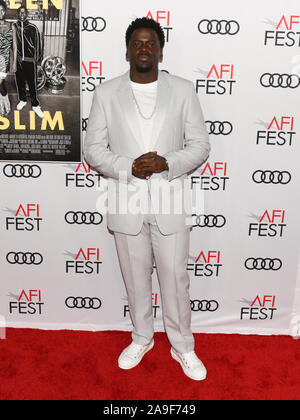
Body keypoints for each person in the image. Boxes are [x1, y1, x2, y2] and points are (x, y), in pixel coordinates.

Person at [84, 17, 210, 381]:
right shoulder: (106, 93)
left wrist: (168, 162)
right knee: (135, 281)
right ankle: (142, 338)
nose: (143, 48)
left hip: (170, 201)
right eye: (136, 43)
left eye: (150, 43)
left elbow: (200, 146)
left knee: (175, 280)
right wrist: (128, 168)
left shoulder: (183, 90)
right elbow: (93, 150)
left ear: (160, 49)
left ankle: (183, 346)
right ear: (127, 51)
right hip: (126, 202)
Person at [13, 6, 44, 118]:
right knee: (20, 81)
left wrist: (38, 61)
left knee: (32, 84)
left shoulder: (32, 28)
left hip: (30, 62)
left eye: (24, 12)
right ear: (17, 14)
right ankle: (22, 100)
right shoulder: (14, 27)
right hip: (19, 61)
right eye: (20, 12)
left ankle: (35, 105)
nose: (22, 14)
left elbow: (38, 46)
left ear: (27, 14)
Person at [0, 0, 16, 116]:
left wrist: (14, 62)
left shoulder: (11, 26)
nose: (0, 13)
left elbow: (14, 47)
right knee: (1, 83)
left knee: (0, 83)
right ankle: (5, 107)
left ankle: (5, 107)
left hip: (3, 61)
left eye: (2, 10)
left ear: (5, 11)